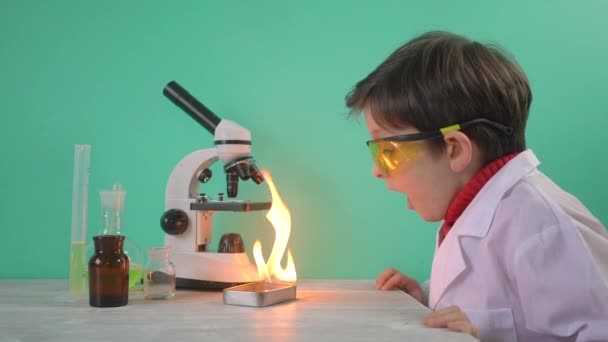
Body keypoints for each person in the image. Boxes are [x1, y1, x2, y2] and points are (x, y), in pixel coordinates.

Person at [345, 31, 608, 341]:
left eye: (387, 152)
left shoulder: (545, 226)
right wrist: (425, 301)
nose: (376, 170)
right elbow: (493, 301)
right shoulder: (468, 210)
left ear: (454, 148)